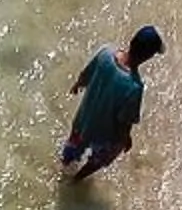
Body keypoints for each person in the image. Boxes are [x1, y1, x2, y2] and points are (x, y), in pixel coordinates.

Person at [60, 24, 164, 180]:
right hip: (103, 134)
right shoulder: (134, 87)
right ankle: (77, 179)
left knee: (73, 145)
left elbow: (86, 73)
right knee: (104, 156)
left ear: (132, 40)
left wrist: (78, 84)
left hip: (83, 119)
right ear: (148, 56)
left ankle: (64, 167)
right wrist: (126, 139)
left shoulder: (106, 52)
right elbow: (124, 121)